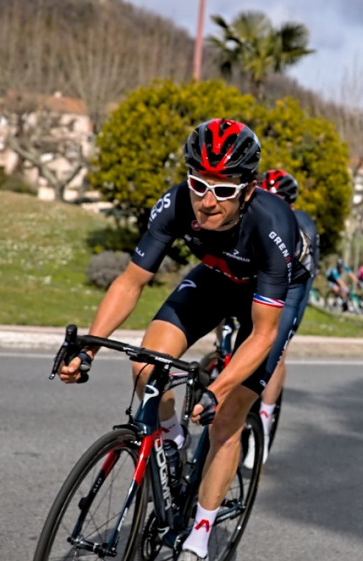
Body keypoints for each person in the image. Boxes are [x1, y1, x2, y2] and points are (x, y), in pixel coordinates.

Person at [57, 119, 300, 561]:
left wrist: (218, 389)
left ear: (247, 191)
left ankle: (199, 538)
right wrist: (89, 346)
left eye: (224, 190)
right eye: (198, 184)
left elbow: (263, 334)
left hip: (269, 302)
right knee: (146, 363)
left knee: (226, 419)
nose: (207, 201)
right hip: (216, 278)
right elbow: (131, 282)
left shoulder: (272, 225)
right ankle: (171, 439)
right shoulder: (174, 204)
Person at [244, 169, 319, 466]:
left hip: (292, 286)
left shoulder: (302, 224)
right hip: (257, 279)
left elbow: (301, 278)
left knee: (277, 350)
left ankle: (264, 414)